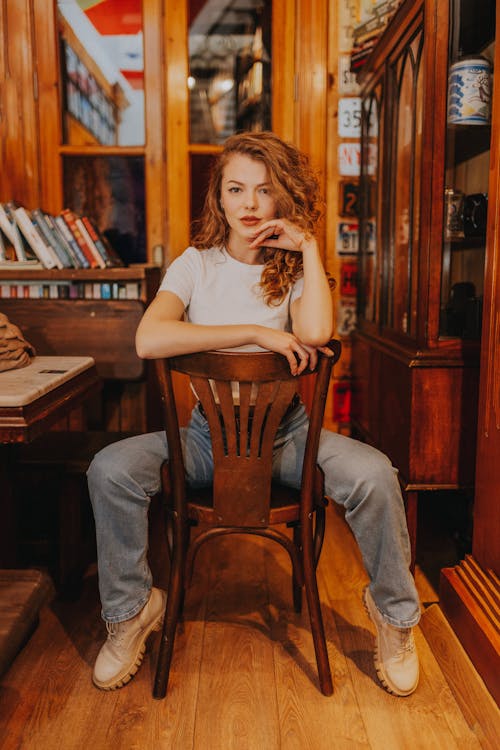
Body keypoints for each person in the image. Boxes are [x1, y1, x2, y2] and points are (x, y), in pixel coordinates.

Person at [88, 131, 420, 697]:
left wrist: (309, 248)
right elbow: (148, 339)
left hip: (288, 440)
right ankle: (132, 612)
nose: (248, 204)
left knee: (375, 476)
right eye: (235, 189)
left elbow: (317, 333)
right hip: (202, 441)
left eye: (263, 191)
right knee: (109, 468)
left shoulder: (293, 271)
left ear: (280, 199)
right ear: (217, 198)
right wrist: (254, 334)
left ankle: (395, 619)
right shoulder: (195, 265)